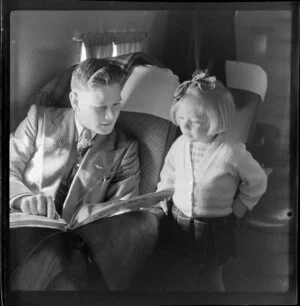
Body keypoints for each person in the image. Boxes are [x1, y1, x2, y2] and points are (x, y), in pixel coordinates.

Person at [9, 58, 158, 290]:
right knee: (50, 263)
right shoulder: (39, 119)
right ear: (75, 100)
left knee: (64, 275)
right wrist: (22, 198)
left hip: (76, 241)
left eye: (116, 105)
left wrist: (91, 213)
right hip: (27, 230)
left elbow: (123, 212)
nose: (110, 116)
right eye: (100, 108)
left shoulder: (125, 148)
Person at [156, 70, 268, 291]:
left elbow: (257, 180)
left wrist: (241, 206)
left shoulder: (231, 151)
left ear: (216, 120)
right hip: (178, 219)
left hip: (213, 226)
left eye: (194, 122)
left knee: (211, 275)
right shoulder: (180, 144)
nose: (184, 127)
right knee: (181, 269)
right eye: (181, 119)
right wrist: (163, 194)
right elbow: (169, 173)